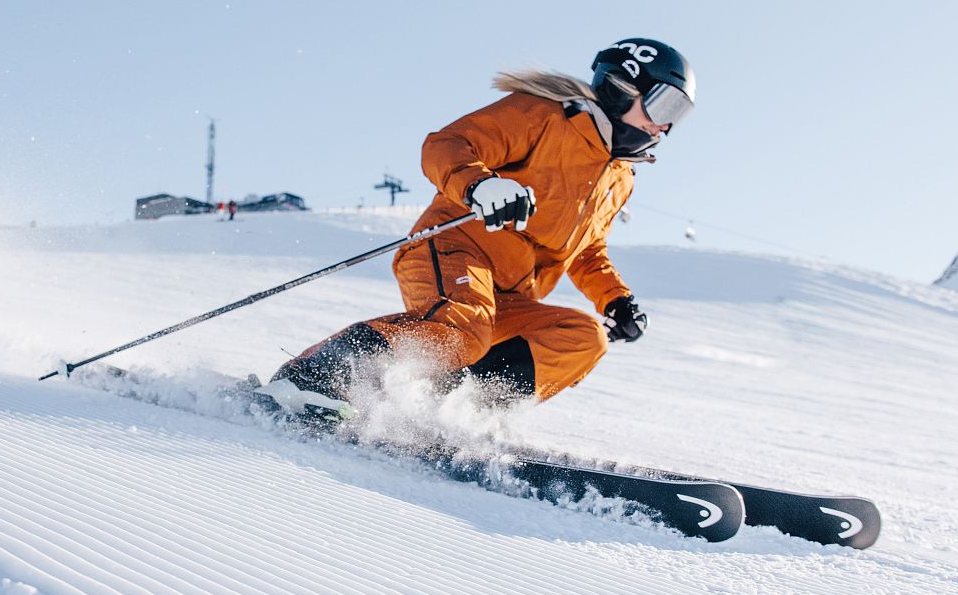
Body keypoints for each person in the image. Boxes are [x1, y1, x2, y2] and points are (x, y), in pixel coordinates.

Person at [255, 38, 695, 419]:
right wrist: (480, 186)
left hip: (512, 294)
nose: (667, 125)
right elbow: (446, 145)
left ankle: (452, 410)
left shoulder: (619, 178)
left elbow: (585, 249)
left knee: (582, 338)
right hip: (454, 248)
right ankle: (312, 376)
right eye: (665, 105)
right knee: (461, 330)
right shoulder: (545, 117)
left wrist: (615, 299)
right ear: (620, 89)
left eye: (680, 114)